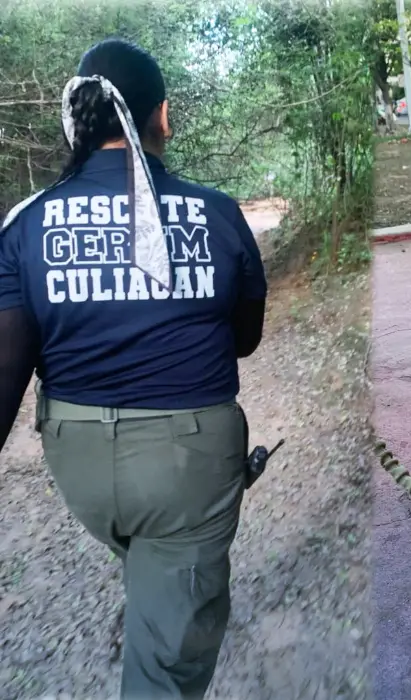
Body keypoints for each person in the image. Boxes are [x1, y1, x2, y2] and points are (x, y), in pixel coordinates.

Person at [0, 38, 268, 699]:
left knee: (146, 547)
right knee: (165, 672)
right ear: (163, 118)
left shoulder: (25, 223)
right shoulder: (217, 212)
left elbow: (8, 369)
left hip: (78, 464)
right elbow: (245, 341)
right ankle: (162, 620)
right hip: (189, 461)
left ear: (78, 122)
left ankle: (156, 597)